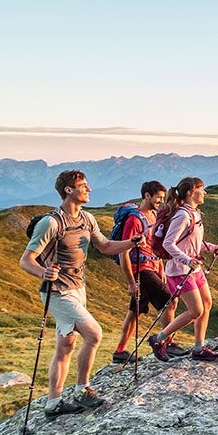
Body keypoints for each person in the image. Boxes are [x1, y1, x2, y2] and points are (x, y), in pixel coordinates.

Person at [18, 170, 144, 417]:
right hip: (57, 292)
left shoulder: (87, 219)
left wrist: (131, 243)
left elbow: (105, 246)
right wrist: (44, 273)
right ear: (68, 190)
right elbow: (26, 260)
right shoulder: (52, 223)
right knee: (94, 334)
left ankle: (53, 403)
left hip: (78, 288)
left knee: (65, 345)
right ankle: (82, 390)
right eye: (83, 186)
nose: (88, 189)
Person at [148, 177, 218, 361]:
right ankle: (159, 339)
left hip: (192, 268)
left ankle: (199, 348)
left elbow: (192, 241)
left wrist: (212, 247)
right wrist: (187, 259)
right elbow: (168, 243)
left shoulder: (195, 213)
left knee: (207, 303)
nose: (204, 193)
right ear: (190, 192)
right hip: (179, 270)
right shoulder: (183, 215)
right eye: (201, 189)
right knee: (195, 310)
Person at [109, 180, 175, 363]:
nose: (160, 201)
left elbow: (155, 247)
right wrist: (131, 283)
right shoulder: (134, 220)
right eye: (158, 198)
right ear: (147, 195)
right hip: (141, 269)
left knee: (135, 311)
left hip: (153, 266)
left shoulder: (153, 216)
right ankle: (166, 343)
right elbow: (124, 253)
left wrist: (161, 270)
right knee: (170, 302)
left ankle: (120, 351)